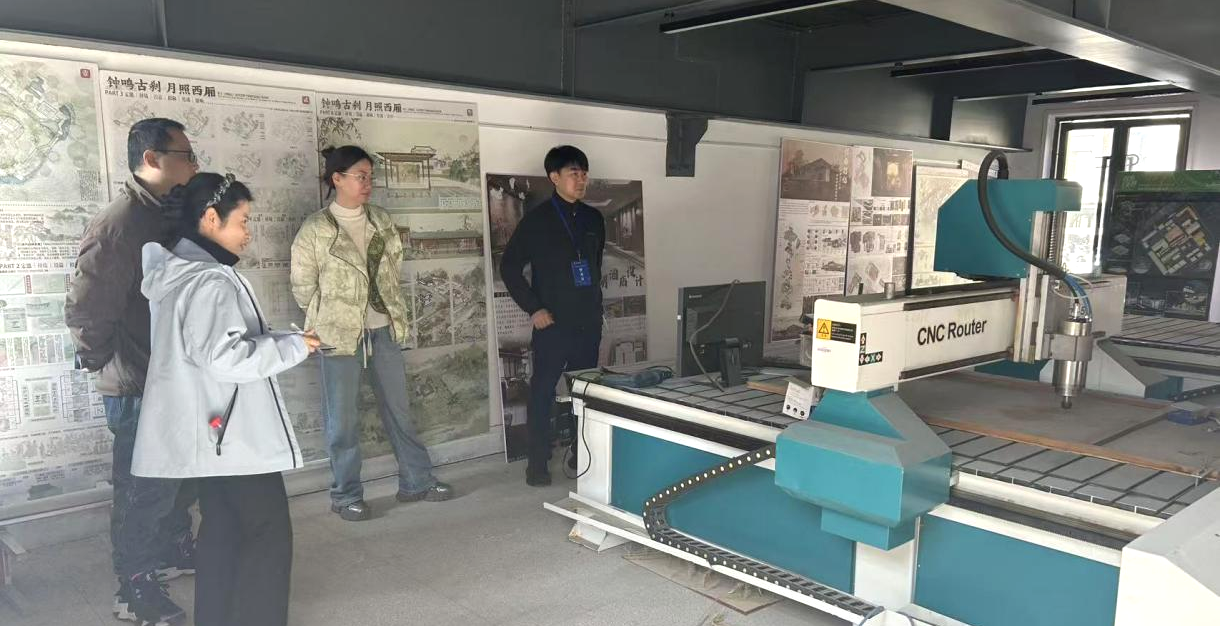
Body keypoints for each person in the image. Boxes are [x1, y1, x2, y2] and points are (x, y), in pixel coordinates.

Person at [134, 172, 320, 626]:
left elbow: (211, 349)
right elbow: (225, 358)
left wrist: (282, 340)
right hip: (233, 436)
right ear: (211, 218)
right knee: (267, 533)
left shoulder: (178, 274)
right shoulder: (210, 282)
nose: (248, 232)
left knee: (221, 529)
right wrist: (294, 348)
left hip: (212, 431)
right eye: (243, 220)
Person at [64, 117, 199, 625]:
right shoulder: (121, 222)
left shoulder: (165, 213)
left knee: (177, 477)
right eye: (185, 155)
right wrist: (108, 363)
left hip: (172, 374)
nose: (194, 164)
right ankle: (134, 586)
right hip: (138, 381)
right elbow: (86, 307)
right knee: (141, 488)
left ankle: (172, 549)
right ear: (151, 159)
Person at [290, 145, 454, 522]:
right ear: (337, 179)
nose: (368, 183)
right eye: (360, 176)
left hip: (383, 331)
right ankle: (346, 495)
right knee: (342, 421)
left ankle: (416, 480)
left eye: (370, 177)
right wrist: (330, 317)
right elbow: (303, 286)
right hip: (338, 338)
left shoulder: (380, 219)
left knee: (399, 410)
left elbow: (394, 270)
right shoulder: (316, 228)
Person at [500, 145, 606, 486]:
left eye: (584, 173)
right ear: (554, 177)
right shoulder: (537, 221)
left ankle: (581, 453)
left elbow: (594, 265)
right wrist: (534, 308)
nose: (581, 179)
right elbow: (509, 267)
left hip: (587, 323)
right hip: (553, 324)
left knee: (585, 392)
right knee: (543, 391)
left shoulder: (594, 219)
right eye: (574, 173)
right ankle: (538, 462)